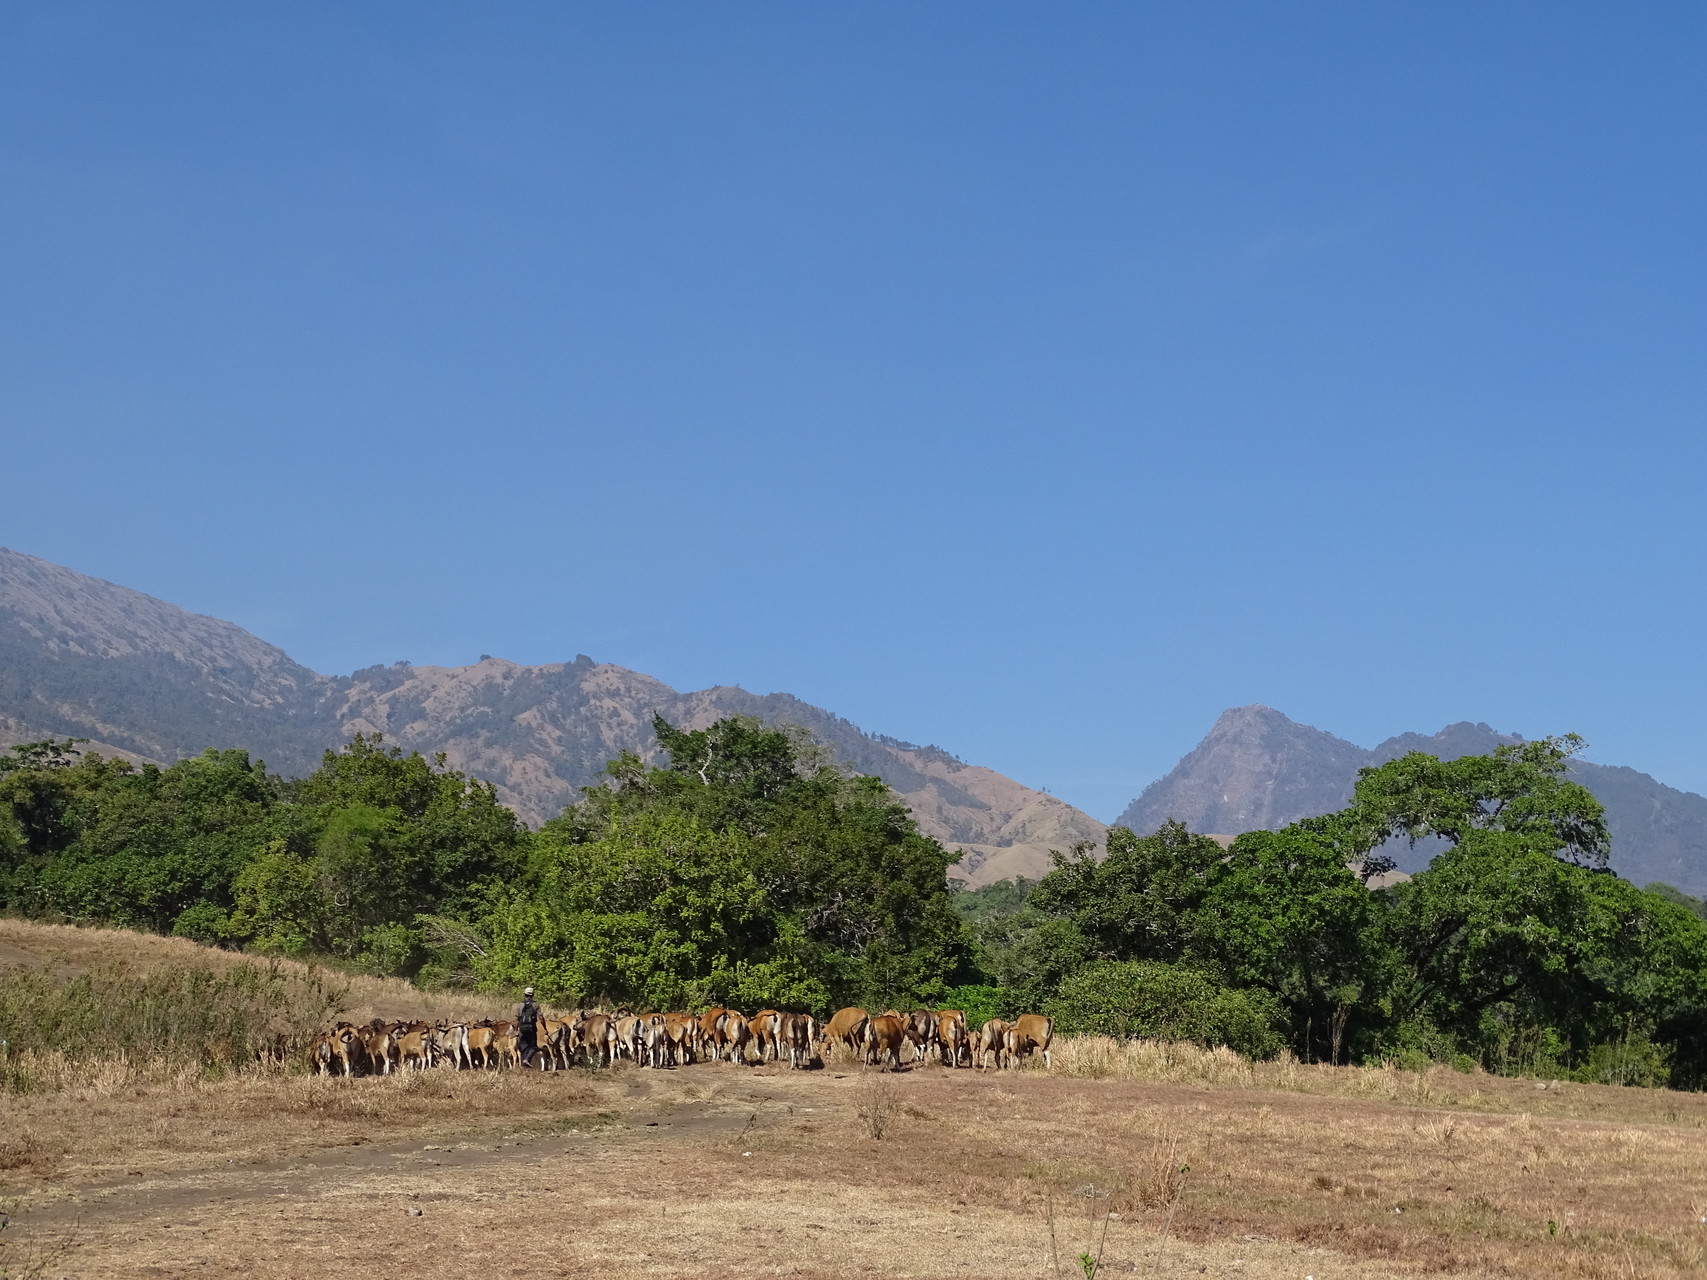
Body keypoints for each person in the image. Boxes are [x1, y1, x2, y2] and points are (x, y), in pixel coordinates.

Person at [515, 986, 540, 1068]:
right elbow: (541, 1017)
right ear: (533, 995)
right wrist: (545, 1028)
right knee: (533, 1046)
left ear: (525, 994)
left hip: (522, 1029)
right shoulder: (535, 1005)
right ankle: (527, 1060)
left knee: (523, 1047)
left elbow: (516, 1019)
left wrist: (516, 1029)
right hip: (531, 1029)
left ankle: (523, 1065)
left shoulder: (520, 1005)